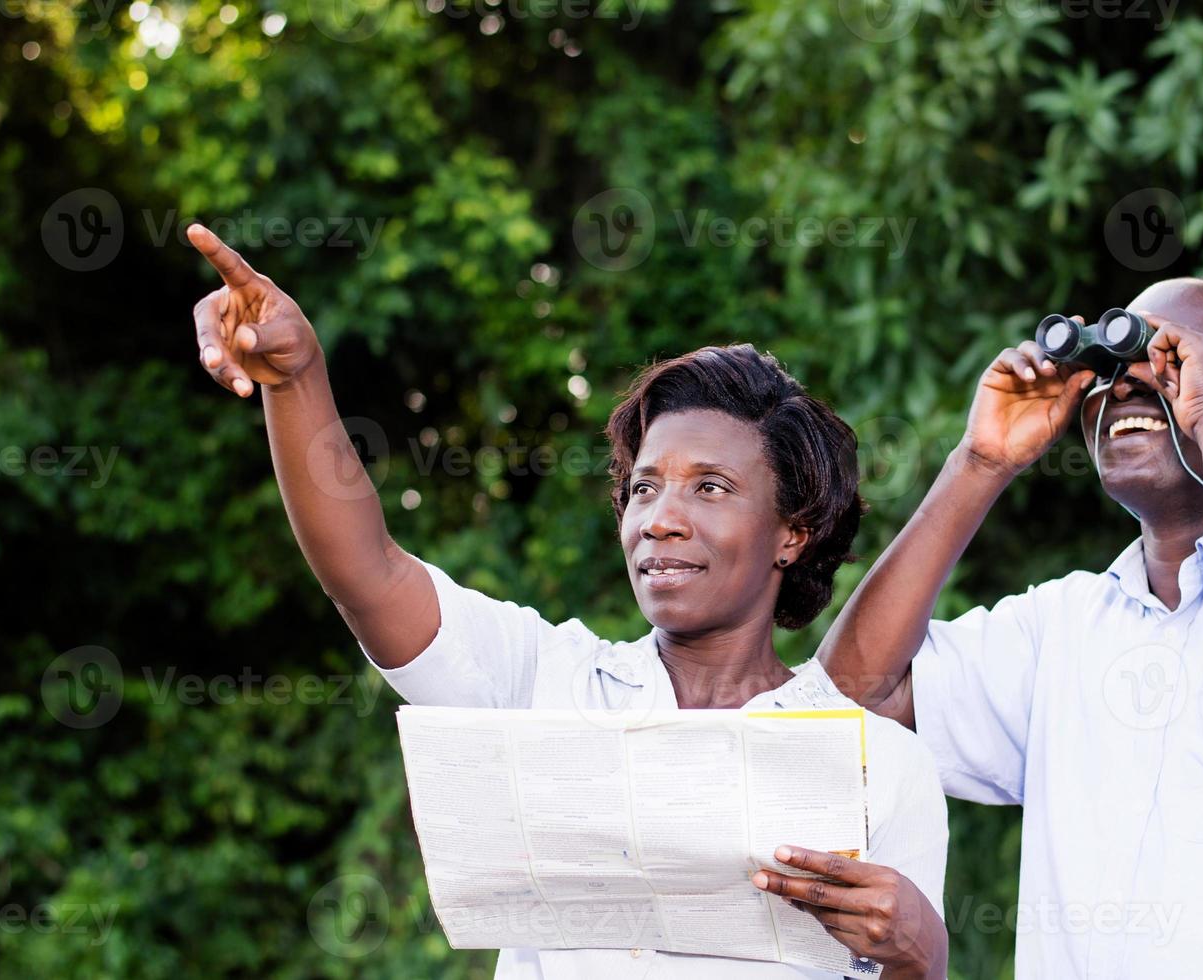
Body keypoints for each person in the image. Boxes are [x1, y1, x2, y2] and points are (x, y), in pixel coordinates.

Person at [185, 222, 950, 979]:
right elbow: (367, 574)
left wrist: (922, 955)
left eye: (710, 487)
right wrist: (296, 380)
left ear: (793, 532)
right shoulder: (544, 684)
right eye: (644, 487)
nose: (660, 518)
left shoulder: (877, 765)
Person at [817, 277, 1203, 978]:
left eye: (1171, 359)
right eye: (1104, 371)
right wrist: (980, 464)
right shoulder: (1058, 628)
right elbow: (851, 697)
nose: (1126, 386)